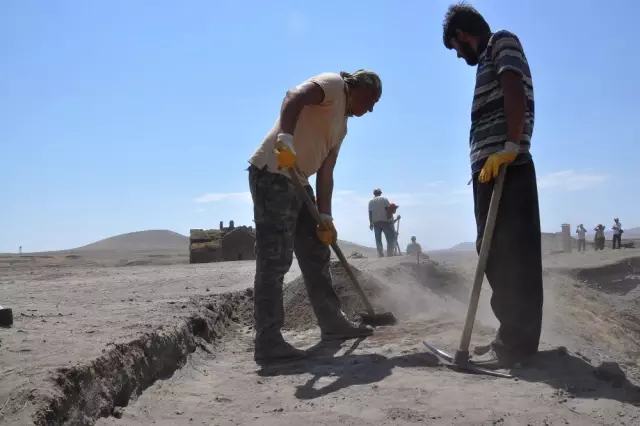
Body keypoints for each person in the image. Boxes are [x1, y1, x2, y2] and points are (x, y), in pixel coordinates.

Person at [247, 69, 382, 365]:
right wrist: (284, 138)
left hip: (300, 181)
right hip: (273, 171)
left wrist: (325, 215)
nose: (370, 109)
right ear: (358, 88)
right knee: (275, 259)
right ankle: (268, 341)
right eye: (371, 100)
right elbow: (293, 97)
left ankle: (332, 323)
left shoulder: (342, 126)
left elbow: (327, 171)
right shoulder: (333, 85)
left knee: (316, 254)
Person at [442, 2, 542, 368]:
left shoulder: (502, 42)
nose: (457, 55)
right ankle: (509, 337)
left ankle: (517, 344)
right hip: (490, 166)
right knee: (495, 254)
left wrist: (511, 146)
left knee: (512, 255)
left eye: (455, 47)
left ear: (462, 35)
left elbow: (513, 88)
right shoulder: (486, 58)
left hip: (506, 164)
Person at [368, 189, 396, 257]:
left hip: (376, 223)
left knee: (378, 239)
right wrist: (391, 220)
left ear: (374, 194)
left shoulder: (371, 201)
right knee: (389, 238)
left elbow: (370, 213)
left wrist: (371, 223)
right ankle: (389, 253)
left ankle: (380, 254)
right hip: (385, 221)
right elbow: (389, 209)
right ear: (380, 193)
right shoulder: (384, 199)